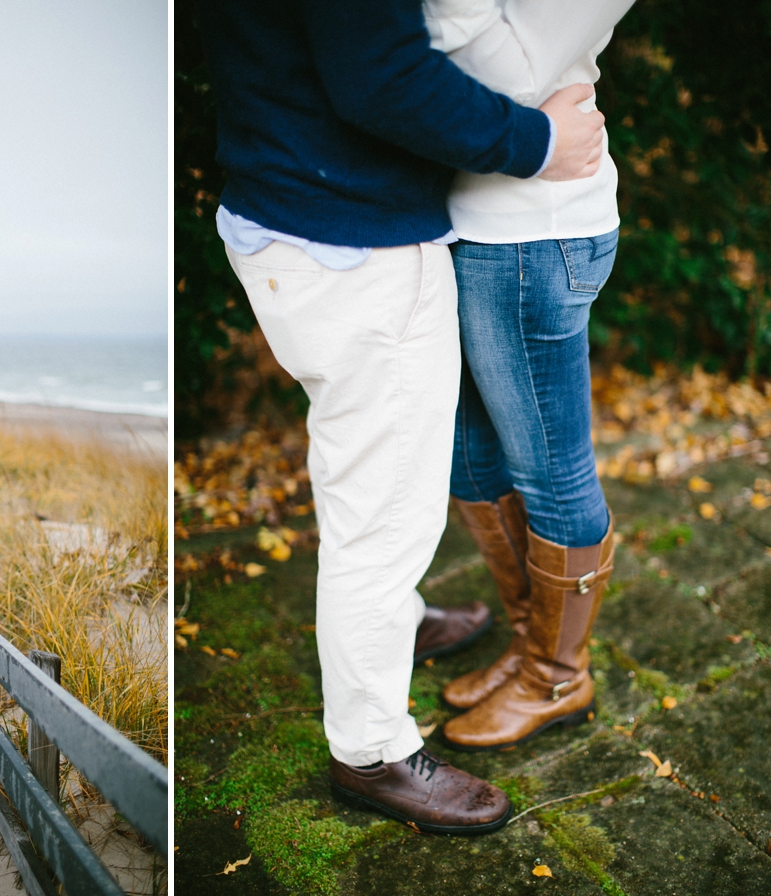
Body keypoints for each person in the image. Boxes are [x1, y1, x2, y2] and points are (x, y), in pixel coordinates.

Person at [196, 0, 605, 834]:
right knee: (381, 520)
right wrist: (538, 143)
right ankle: (372, 750)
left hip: (292, 211)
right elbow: (380, 76)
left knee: (368, 477)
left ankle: (403, 630)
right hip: (350, 236)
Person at [420, 0, 635, 751]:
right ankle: (527, 639)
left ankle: (557, 676)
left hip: (531, 236)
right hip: (468, 223)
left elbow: (489, 73)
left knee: (551, 471)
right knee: (471, 454)